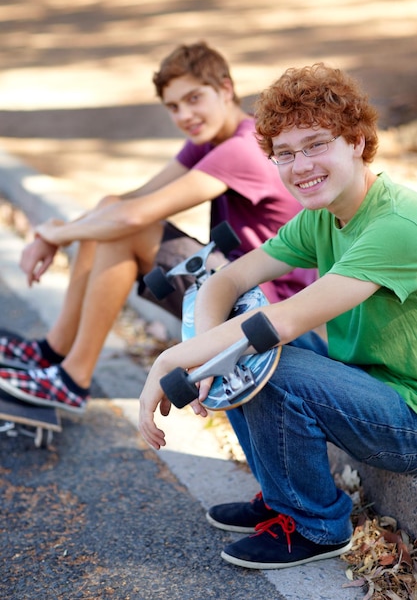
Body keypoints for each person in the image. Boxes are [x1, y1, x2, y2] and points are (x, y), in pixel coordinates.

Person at [137, 62, 417, 570]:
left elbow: (280, 326)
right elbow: (226, 281)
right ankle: (281, 490)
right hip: (367, 385)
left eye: (316, 144)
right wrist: (203, 360)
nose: (300, 164)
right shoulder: (322, 217)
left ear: (356, 141)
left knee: (266, 355)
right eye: (284, 154)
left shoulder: (396, 224)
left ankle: (316, 526)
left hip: (408, 417)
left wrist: (171, 362)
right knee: (241, 340)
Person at [0, 42, 314, 414]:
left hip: (267, 309)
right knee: (110, 210)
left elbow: (134, 218)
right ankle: (54, 350)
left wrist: (55, 236)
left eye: (194, 98)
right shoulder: (211, 141)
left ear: (226, 89)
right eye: (174, 106)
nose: (185, 114)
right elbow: (128, 201)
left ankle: (72, 379)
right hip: (232, 289)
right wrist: (64, 228)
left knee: (127, 229)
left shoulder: (243, 146)